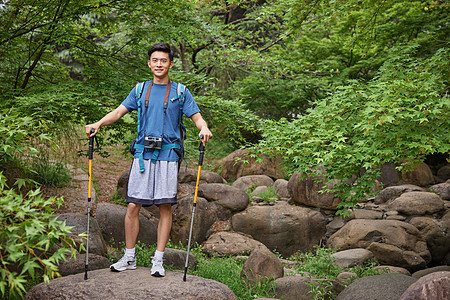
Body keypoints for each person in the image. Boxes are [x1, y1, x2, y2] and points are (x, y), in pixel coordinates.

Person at [85, 42, 212, 277]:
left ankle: (159, 259)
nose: (159, 64)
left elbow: (197, 119)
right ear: (149, 63)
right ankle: (129, 257)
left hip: (168, 155)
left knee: (165, 206)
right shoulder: (140, 90)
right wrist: (98, 123)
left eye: (163, 61)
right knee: (133, 205)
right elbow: (118, 112)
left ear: (170, 64)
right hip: (143, 155)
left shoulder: (181, 91)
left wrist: (204, 129)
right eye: (155, 60)